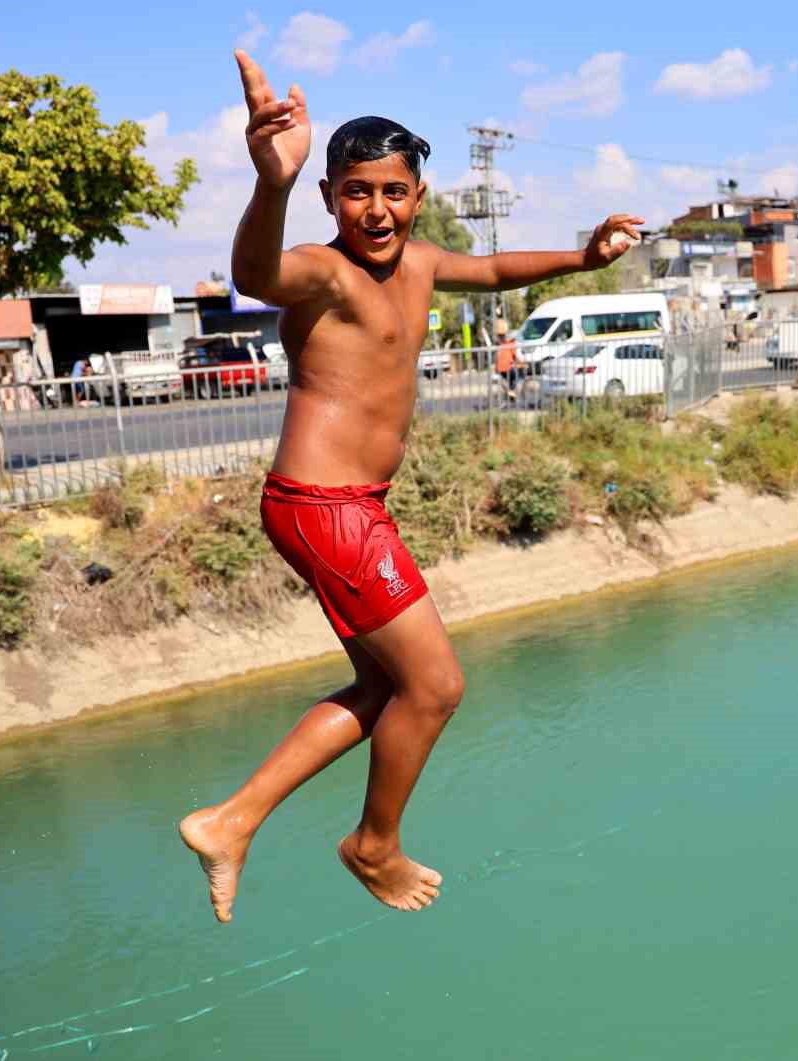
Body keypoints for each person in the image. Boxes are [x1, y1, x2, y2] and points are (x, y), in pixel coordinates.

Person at [178, 50, 641, 922]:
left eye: (393, 191)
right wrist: (269, 181)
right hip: (326, 508)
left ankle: (231, 821)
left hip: (350, 509)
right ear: (328, 197)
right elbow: (254, 277)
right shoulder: (322, 269)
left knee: (384, 689)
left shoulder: (421, 264)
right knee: (436, 688)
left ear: (418, 198)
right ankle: (372, 845)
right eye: (357, 191)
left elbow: (499, 272)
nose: (377, 209)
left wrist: (586, 256)